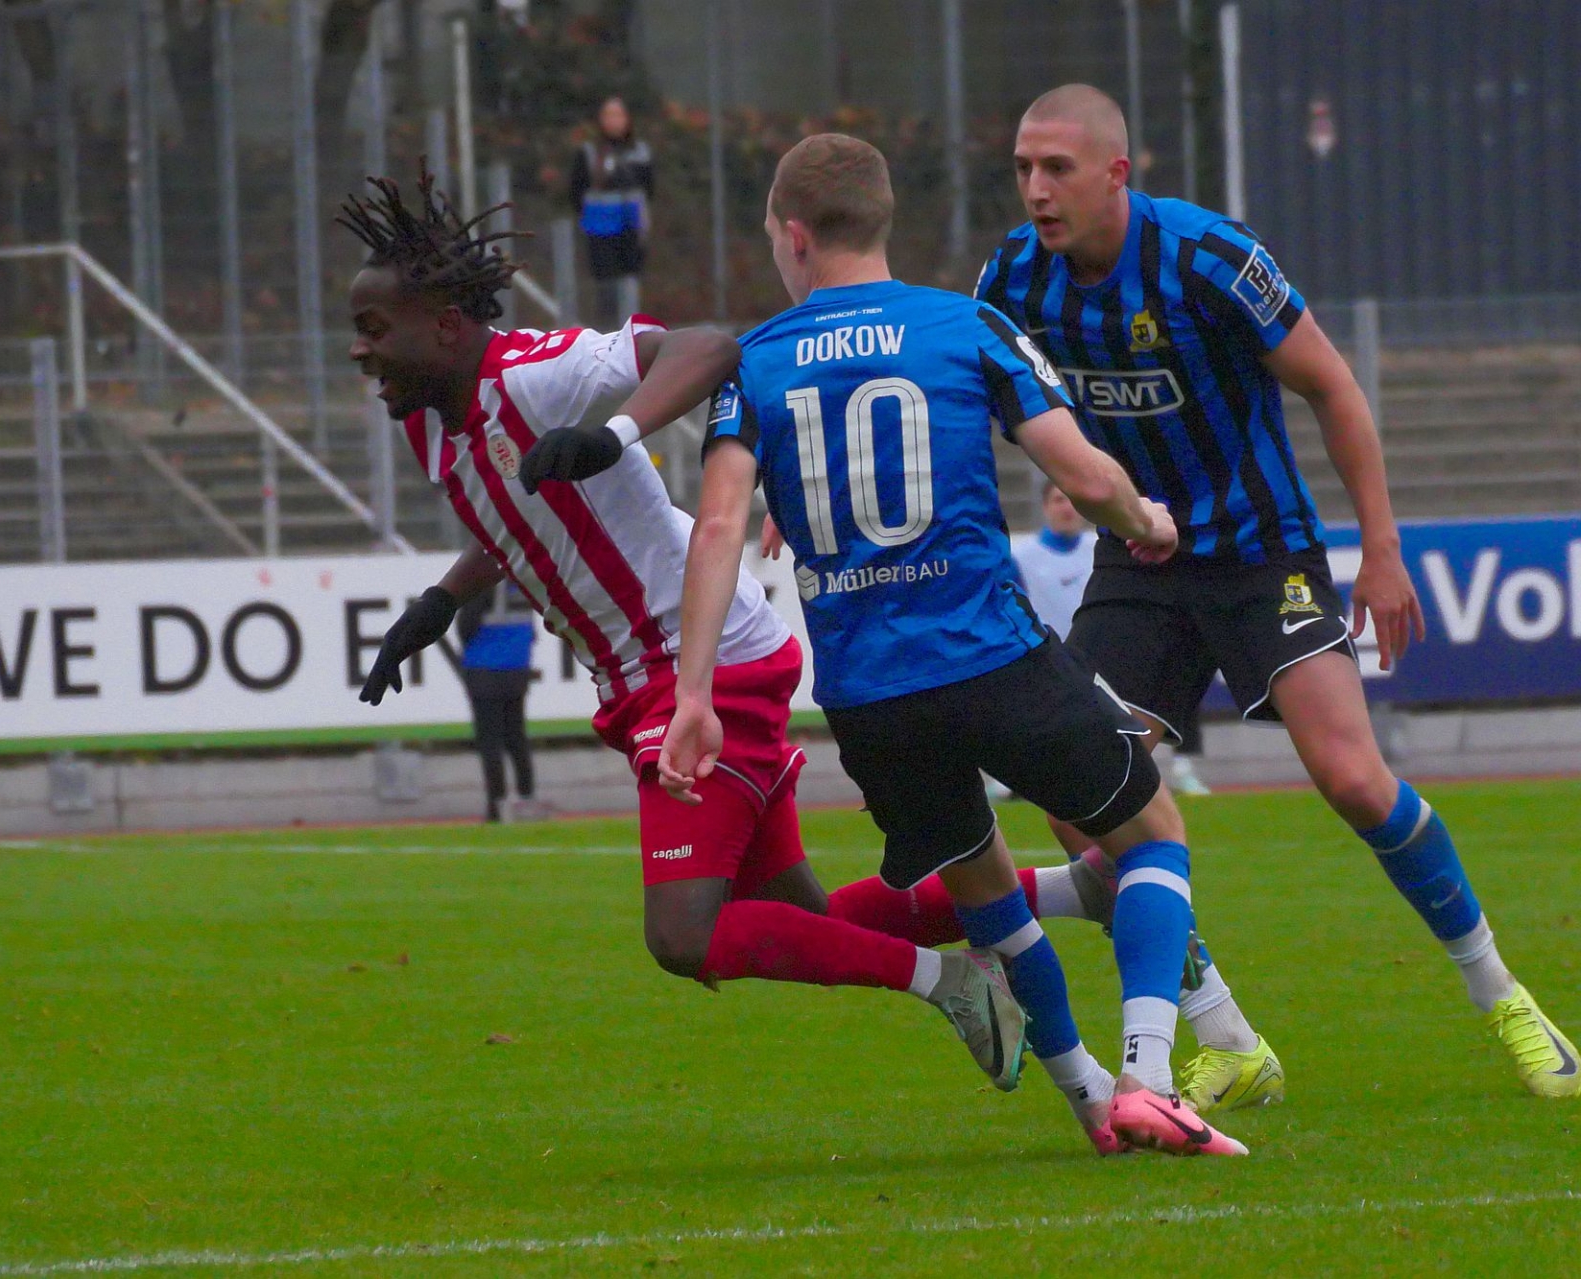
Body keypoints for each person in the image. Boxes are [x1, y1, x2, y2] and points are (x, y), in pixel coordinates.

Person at [338, 166, 1031, 1094]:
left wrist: (615, 432)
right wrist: (440, 600)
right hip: (650, 675)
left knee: (684, 934)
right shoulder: (429, 421)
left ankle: (953, 982)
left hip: (694, 664)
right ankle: (1081, 886)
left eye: (375, 327)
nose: (360, 349)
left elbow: (707, 346)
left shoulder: (537, 374)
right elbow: (519, 514)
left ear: (448, 326)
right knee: (809, 919)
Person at [977, 83, 1577, 1099]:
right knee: (1084, 796)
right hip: (1141, 557)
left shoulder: (1207, 257)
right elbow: (971, 395)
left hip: (1266, 553)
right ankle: (1229, 1036)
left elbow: (1332, 383)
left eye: (1057, 169)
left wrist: (1380, 548)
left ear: (1117, 172)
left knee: (1352, 778)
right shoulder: (1013, 278)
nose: (1036, 189)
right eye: (1024, 169)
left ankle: (1503, 994)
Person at [650, 133, 1246, 1155]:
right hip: (990, 654)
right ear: (878, 221)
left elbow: (715, 530)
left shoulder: (758, 361)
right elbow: (1082, 473)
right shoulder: (967, 325)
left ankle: (1090, 1103)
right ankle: (1148, 1074)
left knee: (985, 896)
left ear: (794, 237)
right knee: (1150, 833)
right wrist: (1146, 520)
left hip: (870, 695)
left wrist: (692, 693)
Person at [1012, 480, 1210, 796]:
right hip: (1051, 653)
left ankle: (1181, 767)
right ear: (1045, 507)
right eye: (1058, 500)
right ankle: (1020, 780)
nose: (1066, 508)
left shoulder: (1104, 547)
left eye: (1070, 499)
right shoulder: (1022, 556)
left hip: (1101, 646)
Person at [456, 579, 540, 823]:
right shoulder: (522, 581)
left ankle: (497, 805)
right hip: (518, 666)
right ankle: (526, 799)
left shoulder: (484, 581)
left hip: (484, 666)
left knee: (490, 740)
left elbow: (466, 624)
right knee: (516, 737)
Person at [569, 96, 652, 329]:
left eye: (618, 115)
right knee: (605, 288)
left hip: (632, 227)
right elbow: (576, 191)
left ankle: (633, 330)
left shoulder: (640, 152)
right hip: (600, 229)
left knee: (631, 283)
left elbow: (648, 189)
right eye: (609, 115)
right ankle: (607, 331)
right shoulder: (589, 153)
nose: (614, 121)